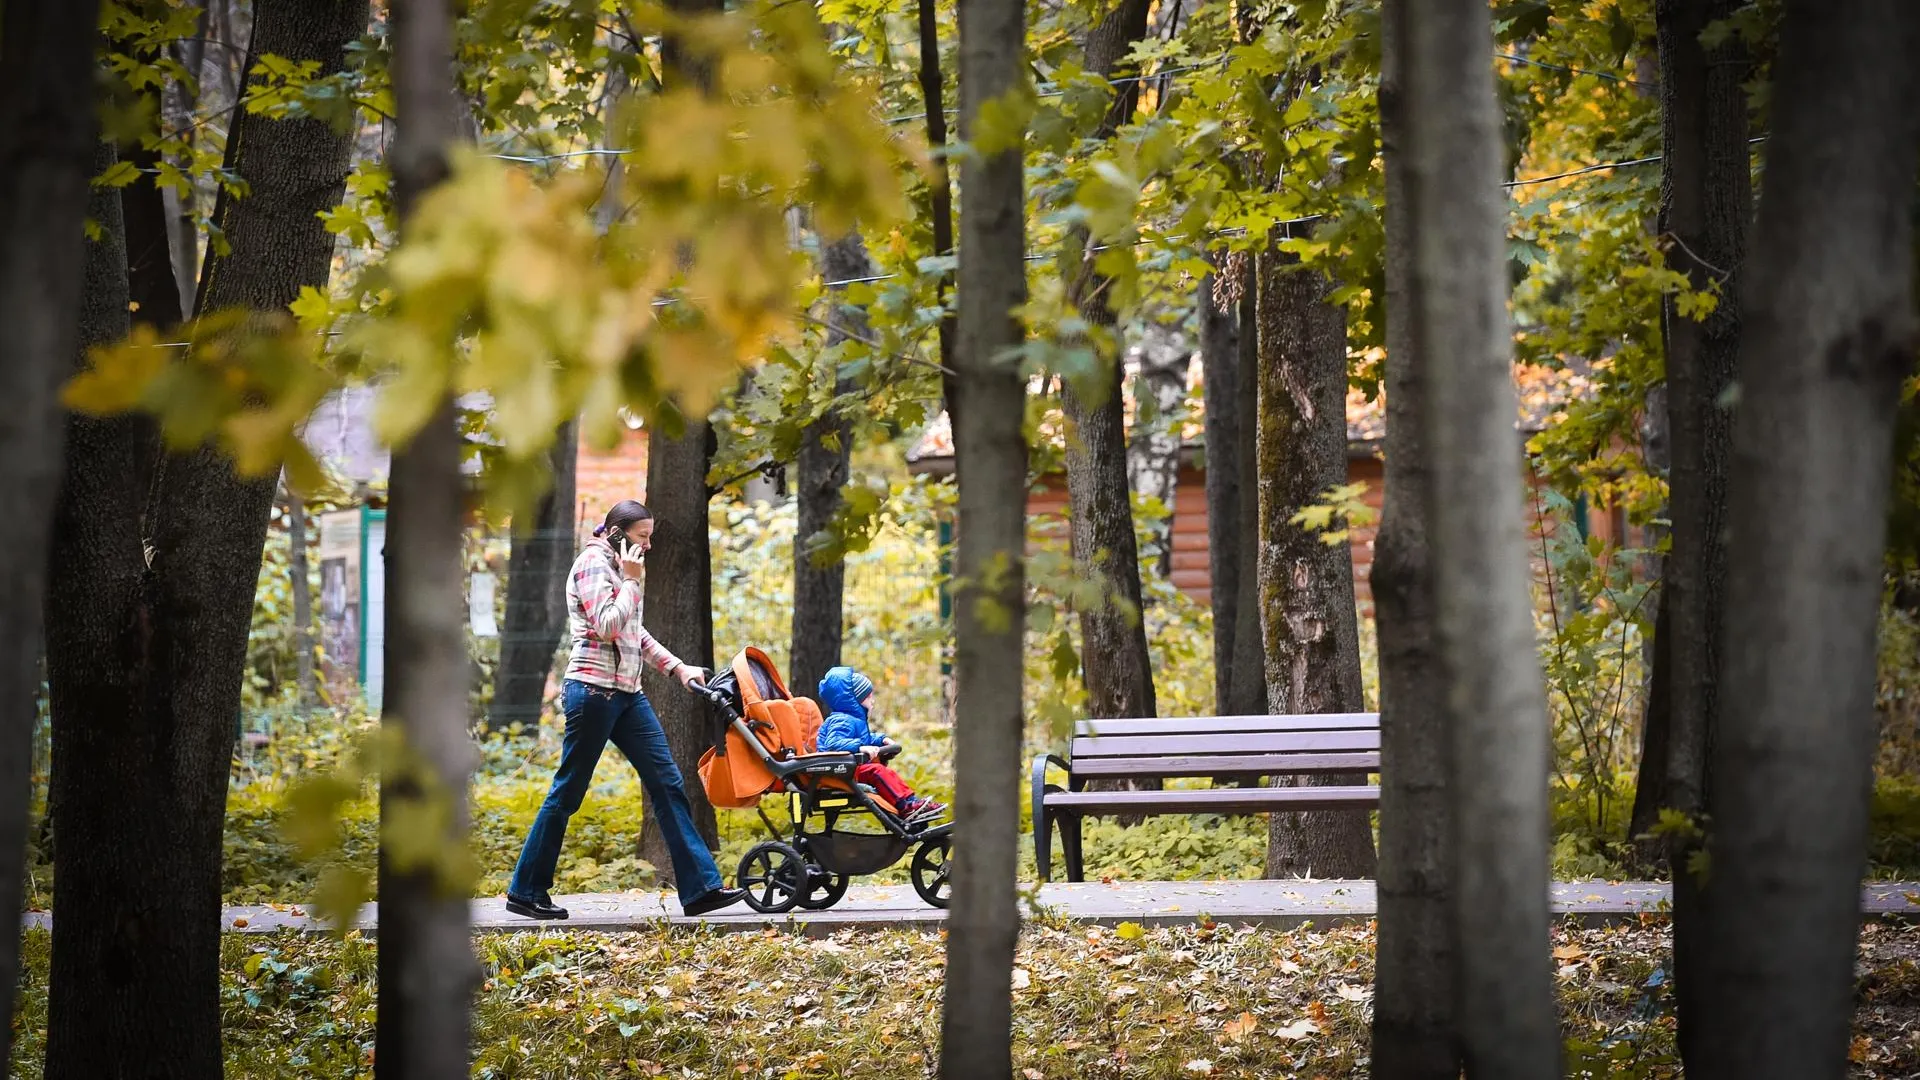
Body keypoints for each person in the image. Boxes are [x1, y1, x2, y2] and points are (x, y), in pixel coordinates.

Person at [506, 500, 745, 920]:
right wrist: (633, 582)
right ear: (617, 533)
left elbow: (635, 632)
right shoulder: (593, 565)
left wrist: (678, 668)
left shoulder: (620, 567)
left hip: (627, 696)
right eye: (642, 537)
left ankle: (701, 890)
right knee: (568, 792)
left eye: (650, 537)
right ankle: (525, 891)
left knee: (668, 783)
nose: (648, 545)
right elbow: (607, 625)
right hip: (593, 694)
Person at [816, 666, 946, 822]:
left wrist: (881, 739)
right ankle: (905, 806)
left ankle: (912, 802)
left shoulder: (852, 720)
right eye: (869, 697)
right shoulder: (842, 719)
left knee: (886, 772)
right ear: (855, 700)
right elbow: (834, 743)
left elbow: (863, 738)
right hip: (839, 771)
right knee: (877, 771)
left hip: (848, 768)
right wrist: (860, 747)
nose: (873, 700)